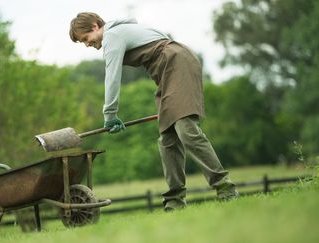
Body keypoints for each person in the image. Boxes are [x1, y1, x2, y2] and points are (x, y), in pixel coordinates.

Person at [69, 12, 238, 211]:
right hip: (166, 72)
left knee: (186, 129)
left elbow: (112, 76)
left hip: (177, 63)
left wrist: (110, 114)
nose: (87, 44)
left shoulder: (112, 36)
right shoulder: (121, 30)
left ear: (96, 26)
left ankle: (225, 187)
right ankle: (175, 201)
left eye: (85, 39)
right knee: (167, 139)